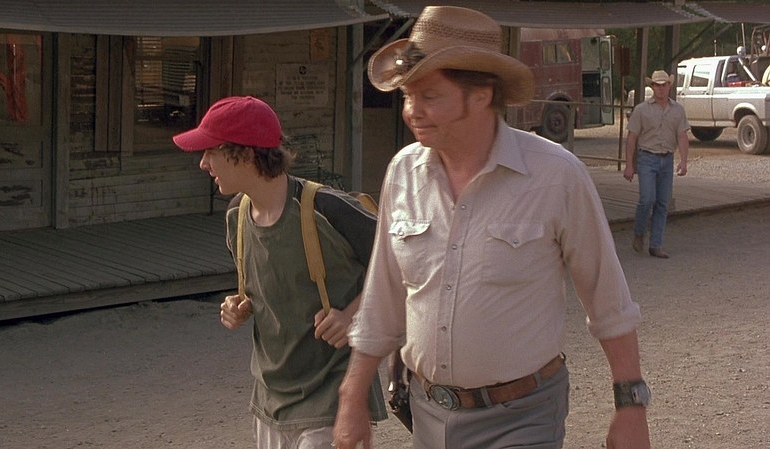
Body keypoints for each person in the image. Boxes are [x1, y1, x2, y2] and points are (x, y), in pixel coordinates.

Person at [333, 6, 650, 449]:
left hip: (523, 419)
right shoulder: (402, 173)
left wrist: (631, 407)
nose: (411, 112)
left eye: (429, 96)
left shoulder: (556, 176)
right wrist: (351, 396)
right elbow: (382, 297)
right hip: (427, 416)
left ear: (481, 95)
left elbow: (607, 298)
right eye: (407, 96)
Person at [172, 96, 386, 449]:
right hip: (270, 400)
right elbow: (271, 286)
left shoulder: (327, 209)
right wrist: (239, 305)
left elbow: (402, 261)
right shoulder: (236, 217)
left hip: (333, 394)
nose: (203, 163)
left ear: (245, 154)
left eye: (211, 151)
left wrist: (354, 314)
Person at [623, 70, 689, 259]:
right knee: (647, 199)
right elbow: (632, 137)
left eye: (664, 85)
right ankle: (639, 231)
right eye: (657, 85)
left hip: (667, 158)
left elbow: (682, 136)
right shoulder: (641, 110)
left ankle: (656, 245)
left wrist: (684, 161)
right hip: (647, 157)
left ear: (669, 86)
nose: (661, 88)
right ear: (652, 87)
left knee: (662, 202)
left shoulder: (678, 110)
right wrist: (629, 165)